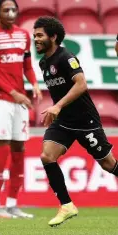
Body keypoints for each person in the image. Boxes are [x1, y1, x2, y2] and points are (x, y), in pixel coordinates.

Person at [33, 16, 118, 227]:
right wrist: (57, 110)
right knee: (47, 156)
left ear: (53, 37)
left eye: (40, 35)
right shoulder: (44, 62)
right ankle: (66, 205)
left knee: (109, 165)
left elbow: (81, 85)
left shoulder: (66, 57)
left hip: (85, 121)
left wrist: (57, 106)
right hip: (63, 122)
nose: (35, 39)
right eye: (34, 35)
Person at [0, 0, 42, 218]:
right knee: (2, 150)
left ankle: (12, 204)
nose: (11, 13)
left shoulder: (24, 35)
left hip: (20, 100)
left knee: (19, 151)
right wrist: (13, 92)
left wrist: (33, 83)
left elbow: (27, 65)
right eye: (6, 9)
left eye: (14, 9)